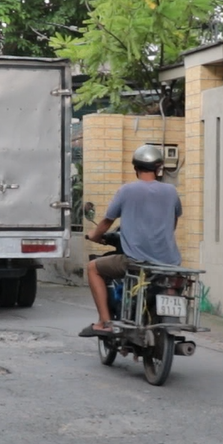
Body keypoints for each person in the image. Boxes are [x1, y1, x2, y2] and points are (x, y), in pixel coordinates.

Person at [81, 144, 182, 336]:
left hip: (135, 260)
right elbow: (173, 221)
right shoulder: (171, 191)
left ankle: (104, 322)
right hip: (170, 262)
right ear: (158, 167)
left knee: (93, 268)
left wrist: (95, 235)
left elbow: (107, 221)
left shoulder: (127, 191)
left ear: (135, 168)